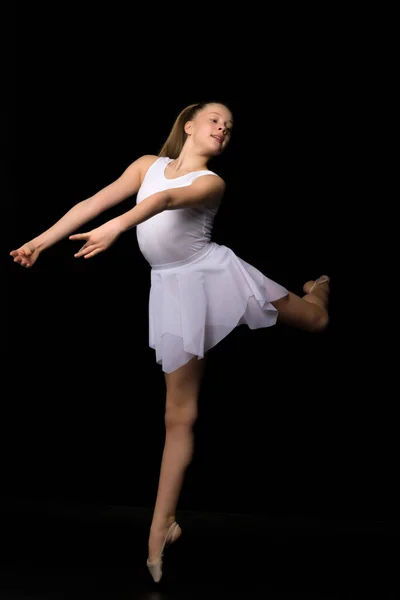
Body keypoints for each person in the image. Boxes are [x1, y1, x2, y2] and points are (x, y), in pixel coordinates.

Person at [10, 101, 330, 583]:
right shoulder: (147, 166)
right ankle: (162, 527)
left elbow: (160, 203)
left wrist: (118, 227)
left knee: (316, 323)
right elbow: (91, 203)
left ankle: (319, 290)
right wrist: (41, 240)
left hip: (212, 274)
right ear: (189, 125)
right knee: (179, 414)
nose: (223, 128)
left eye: (229, 126)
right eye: (215, 119)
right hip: (174, 286)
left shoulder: (211, 182)